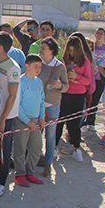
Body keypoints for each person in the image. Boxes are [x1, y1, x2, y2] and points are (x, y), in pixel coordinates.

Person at [0, 32, 21, 197]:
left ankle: (0, 182)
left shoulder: (13, 67)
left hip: (5, 117)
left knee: (3, 151)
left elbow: (12, 96)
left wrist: (2, 120)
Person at [56, 35, 93, 162]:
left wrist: (77, 77)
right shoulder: (63, 61)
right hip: (64, 94)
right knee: (59, 122)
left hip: (78, 96)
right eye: (69, 50)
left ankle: (76, 148)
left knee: (74, 125)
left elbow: (88, 81)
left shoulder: (85, 62)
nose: (71, 53)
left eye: (74, 50)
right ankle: (54, 147)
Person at [13, 54, 46, 187]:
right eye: (35, 66)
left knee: (36, 147)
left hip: (36, 120)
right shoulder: (20, 81)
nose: (38, 69)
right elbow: (17, 105)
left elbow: (42, 101)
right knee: (20, 148)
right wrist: (27, 121)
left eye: (40, 67)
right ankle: (20, 174)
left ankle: (30, 172)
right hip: (22, 120)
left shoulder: (39, 82)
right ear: (27, 66)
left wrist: (42, 117)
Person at [38, 37, 68, 178]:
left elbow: (66, 86)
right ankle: (34, 160)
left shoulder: (60, 66)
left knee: (50, 136)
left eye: (43, 47)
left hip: (53, 105)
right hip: (37, 105)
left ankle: (48, 164)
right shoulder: (36, 62)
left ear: (52, 50)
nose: (41, 50)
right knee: (35, 136)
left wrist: (60, 86)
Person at [82, 28, 105, 132]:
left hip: (99, 79)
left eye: (101, 33)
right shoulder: (90, 46)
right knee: (86, 100)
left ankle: (91, 121)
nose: (99, 35)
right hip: (87, 77)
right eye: (97, 33)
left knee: (95, 101)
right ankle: (83, 122)